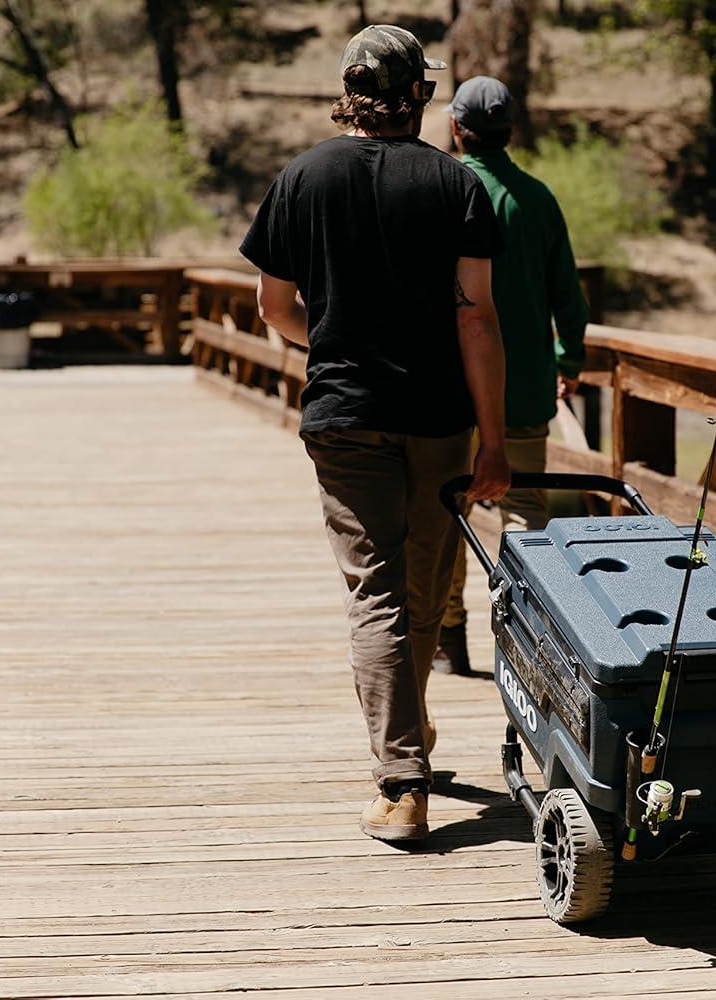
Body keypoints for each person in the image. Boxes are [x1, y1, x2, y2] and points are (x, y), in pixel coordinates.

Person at [239, 25, 511, 843]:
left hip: (345, 417)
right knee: (421, 586)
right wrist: (493, 439)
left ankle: (402, 777)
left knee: (380, 592)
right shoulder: (456, 184)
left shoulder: (302, 177)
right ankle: (407, 753)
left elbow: (274, 308)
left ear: (348, 90)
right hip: (438, 419)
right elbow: (479, 322)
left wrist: (330, 343)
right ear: (421, 95)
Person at [433, 76, 590, 676]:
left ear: (456, 128)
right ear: (511, 130)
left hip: (452, 390)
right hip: (523, 388)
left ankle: (450, 641)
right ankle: (526, 642)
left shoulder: (444, 193)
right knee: (525, 513)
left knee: (451, 512)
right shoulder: (538, 199)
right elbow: (568, 300)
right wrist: (568, 359)